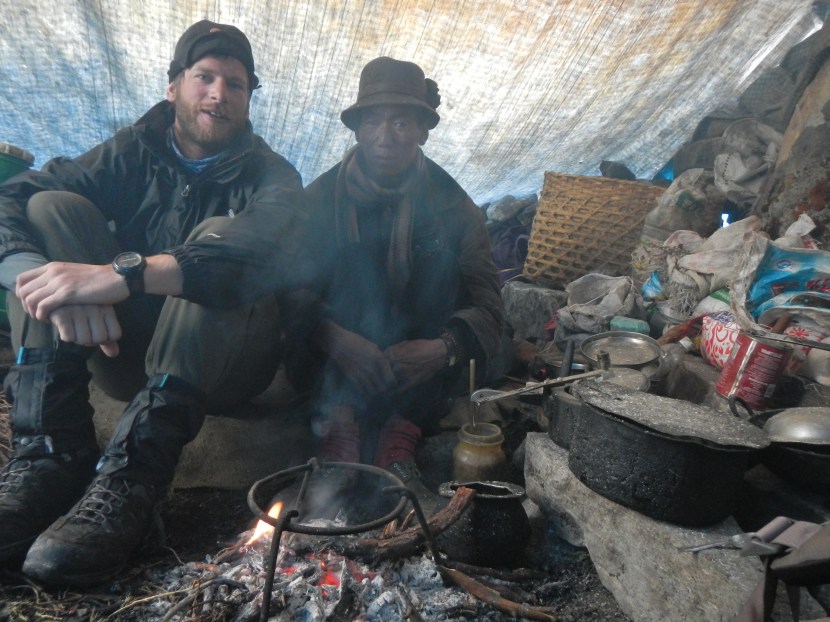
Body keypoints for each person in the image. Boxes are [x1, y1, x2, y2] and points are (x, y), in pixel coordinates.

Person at [0, 20, 307, 586]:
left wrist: (125, 275)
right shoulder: (129, 151)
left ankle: (129, 483)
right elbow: (11, 196)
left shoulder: (273, 175)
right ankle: (49, 456)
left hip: (227, 365)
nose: (219, 93)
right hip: (121, 352)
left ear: (247, 100)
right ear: (174, 88)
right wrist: (38, 280)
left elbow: (260, 254)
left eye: (235, 84)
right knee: (50, 209)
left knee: (220, 237)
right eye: (205, 77)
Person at [287, 57, 505, 506]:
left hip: (417, 360)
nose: (385, 137)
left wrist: (443, 348)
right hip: (339, 361)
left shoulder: (454, 206)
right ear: (357, 129)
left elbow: (488, 303)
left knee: (453, 294)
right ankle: (340, 428)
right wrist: (336, 339)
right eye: (373, 121)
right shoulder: (317, 202)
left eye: (401, 122)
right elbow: (287, 291)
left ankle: (400, 436)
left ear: (424, 130)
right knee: (331, 283)